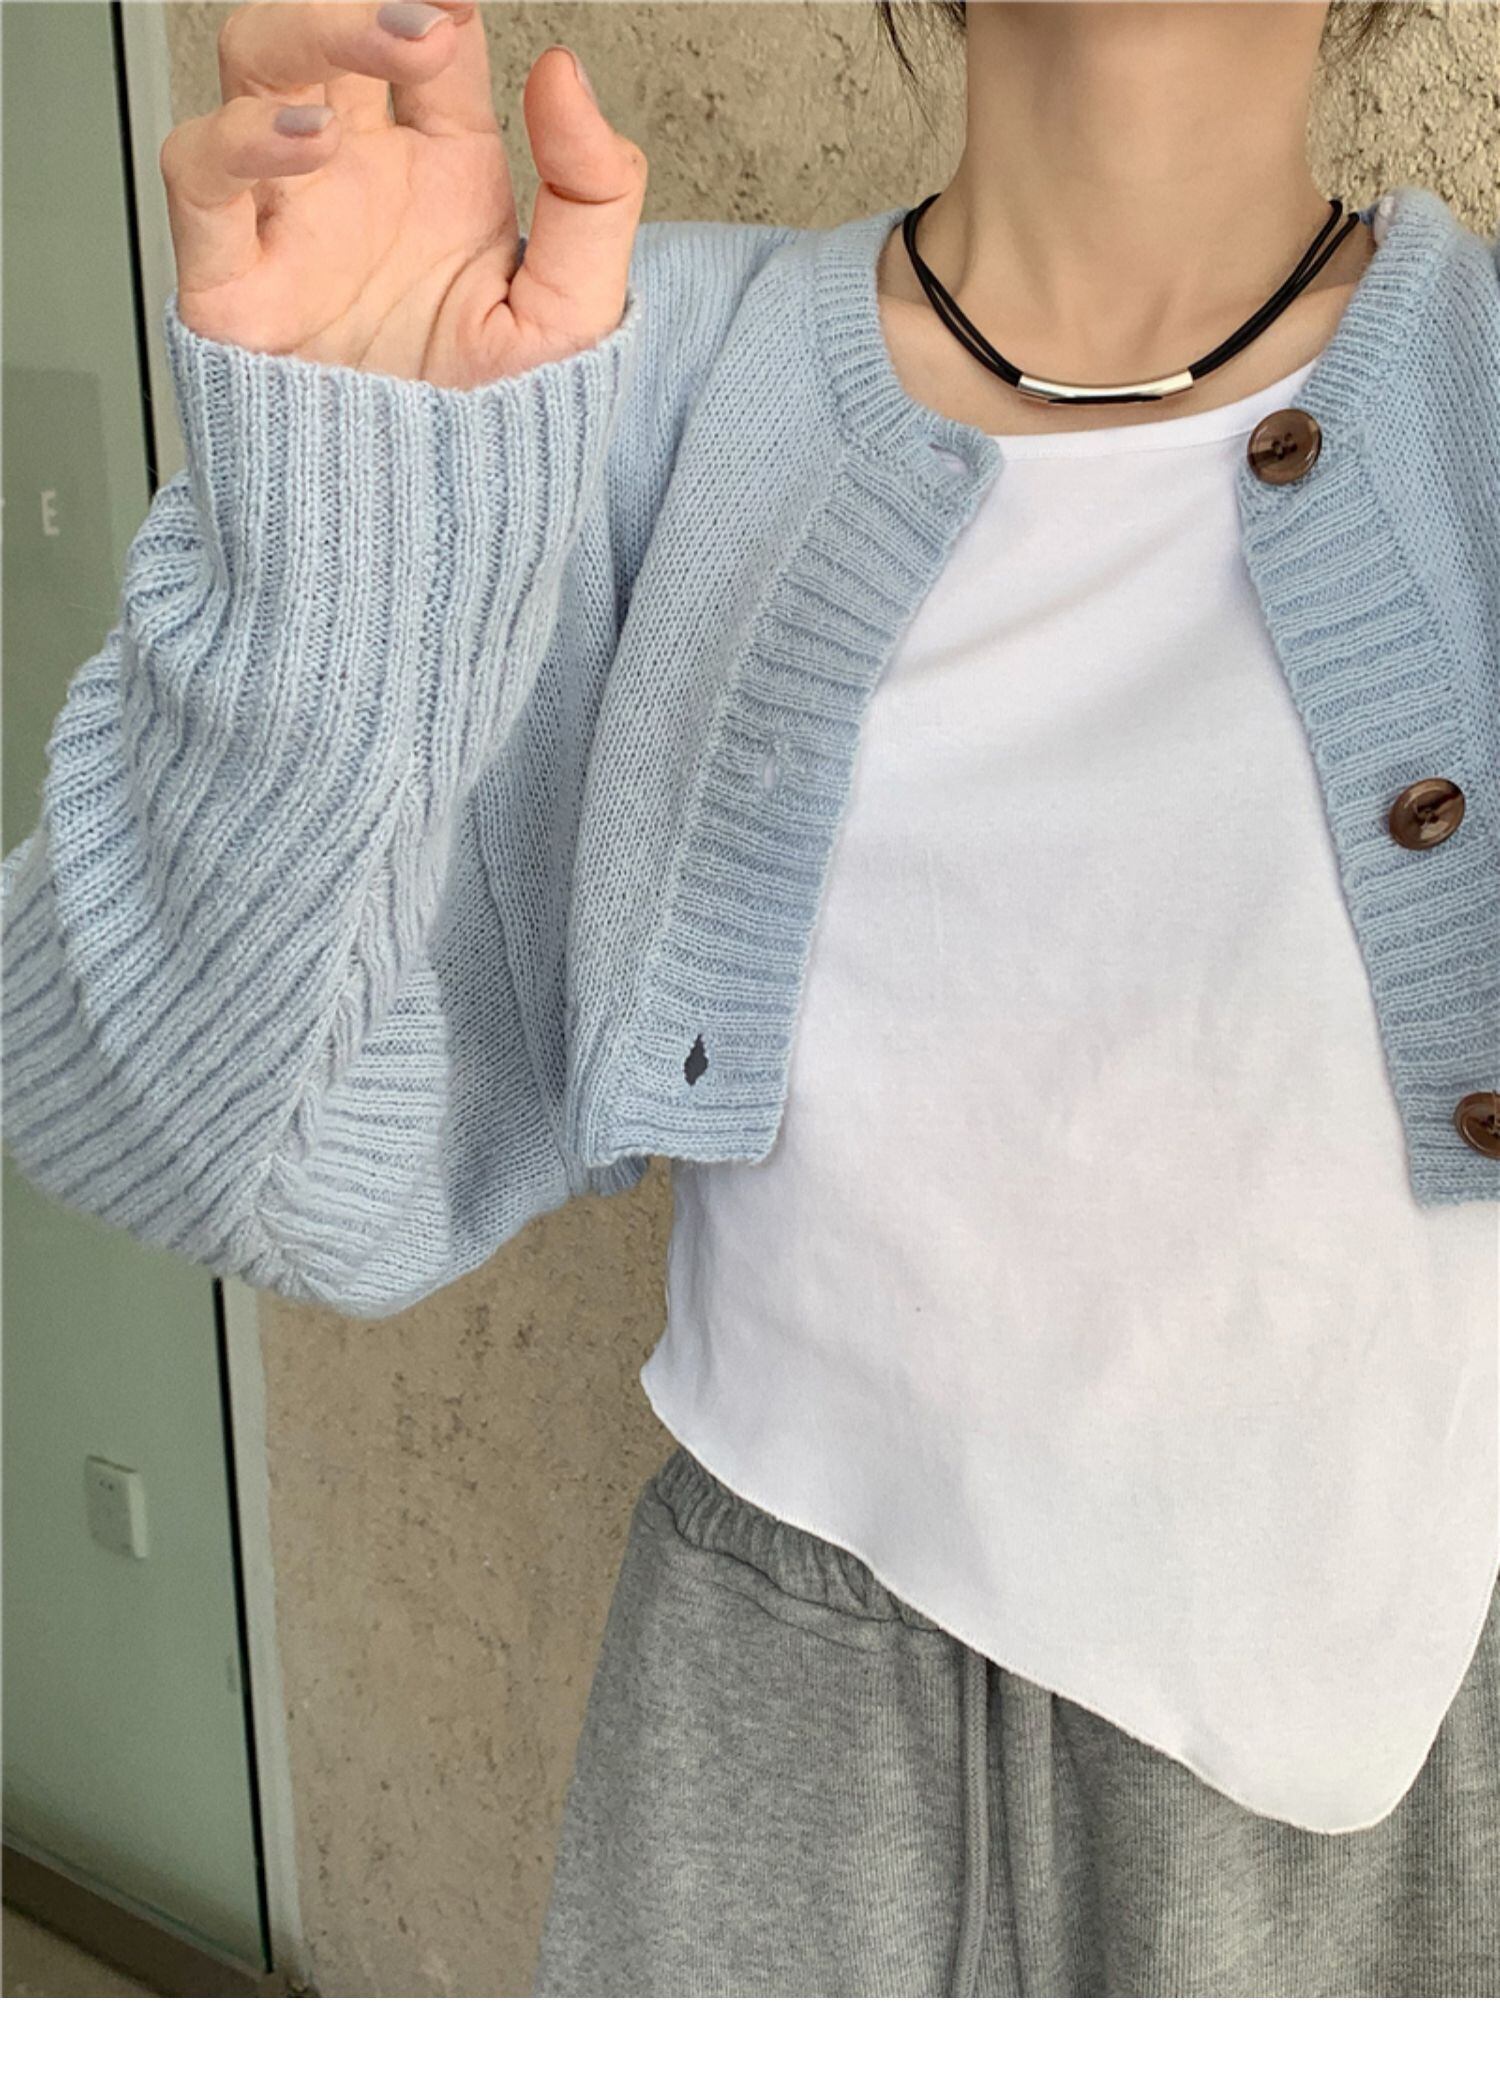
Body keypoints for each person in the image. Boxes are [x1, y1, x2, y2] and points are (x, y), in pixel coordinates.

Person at [3, 0, 1497, 1997]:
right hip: (782, 1748)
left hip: (1397, 1756)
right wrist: (344, 526)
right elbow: (201, 1134)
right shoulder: (611, 366)